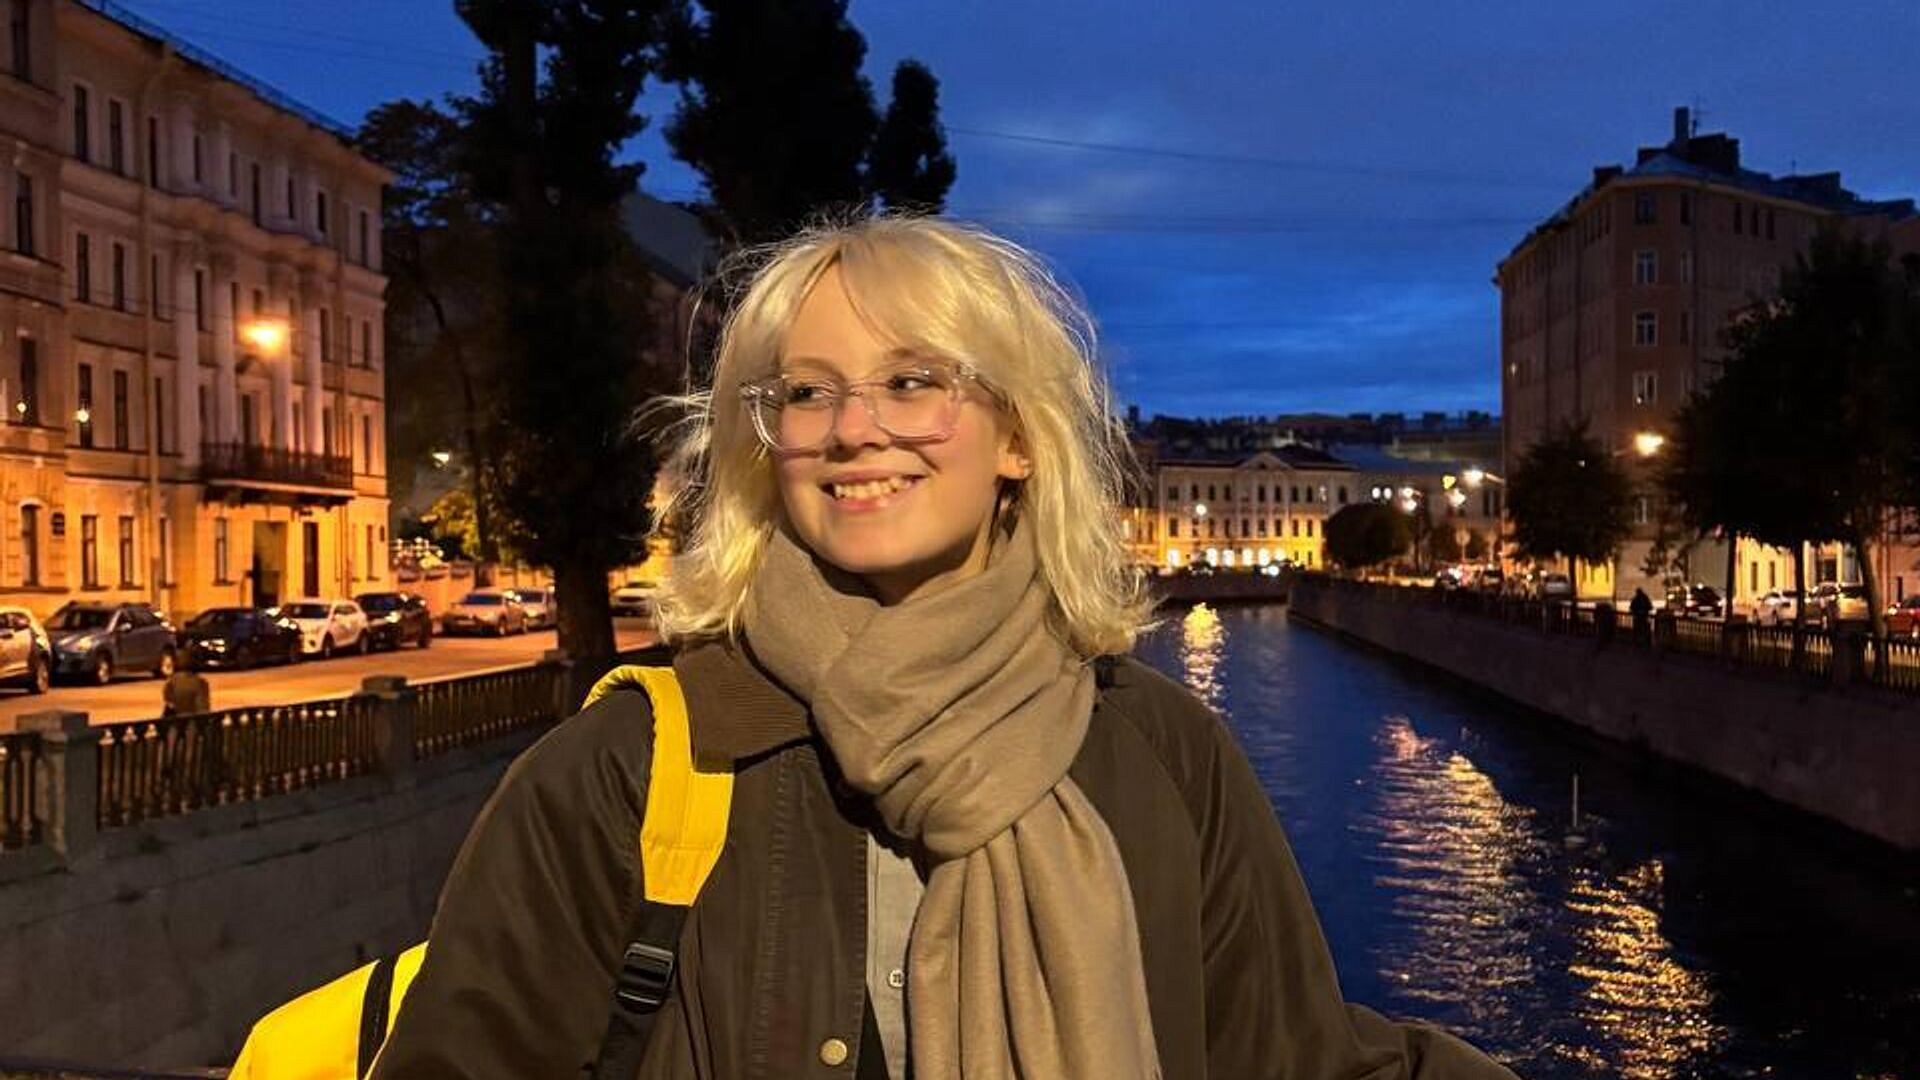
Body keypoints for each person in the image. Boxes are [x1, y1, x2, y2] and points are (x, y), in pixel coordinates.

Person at [372, 217, 1516, 1078]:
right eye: (805, 393)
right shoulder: (629, 765)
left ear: (1018, 435)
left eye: (913, 381)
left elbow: (1290, 1058)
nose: (852, 429)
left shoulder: (1163, 750)